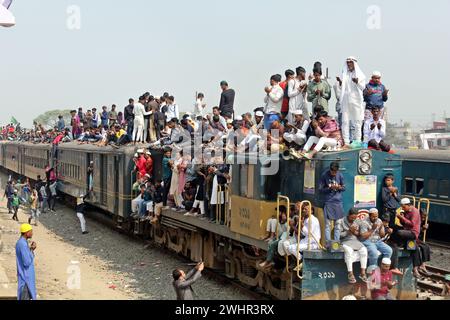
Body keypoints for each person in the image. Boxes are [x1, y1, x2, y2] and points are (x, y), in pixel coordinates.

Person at [339, 56, 366, 146]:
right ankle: (346, 141)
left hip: (356, 99)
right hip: (346, 99)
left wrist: (357, 82)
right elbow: (341, 88)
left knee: (358, 121)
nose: (349, 64)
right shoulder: (344, 74)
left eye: (350, 62)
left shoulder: (360, 75)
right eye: (348, 63)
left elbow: (363, 87)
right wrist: (340, 83)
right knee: (345, 121)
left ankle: (357, 140)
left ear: (354, 63)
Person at [391, 198, 421, 277]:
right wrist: (401, 217)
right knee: (415, 247)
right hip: (406, 232)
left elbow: (412, 224)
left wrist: (402, 218)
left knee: (399, 233)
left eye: (404, 207)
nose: (403, 208)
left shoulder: (415, 211)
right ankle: (415, 268)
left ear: (408, 205)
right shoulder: (406, 211)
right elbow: (403, 224)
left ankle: (397, 243)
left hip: (412, 232)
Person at [338, 208, 368, 283]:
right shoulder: (340, 221)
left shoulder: (357, 221)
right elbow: (338, 235)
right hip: (344, 241)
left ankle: (363, 273)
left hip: (354, 240)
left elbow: (360, 234)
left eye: (355, 218)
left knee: (364, 250)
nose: (353, 219)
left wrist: (356, 232)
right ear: (348, 215)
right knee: (349, 251)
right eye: (352, 218)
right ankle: (350, 273)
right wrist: (348, 231)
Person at [319, 162, 345, 244]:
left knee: (338, 225)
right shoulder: (324, 175)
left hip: (338, 202)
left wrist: (339, 187)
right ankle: (328, 243)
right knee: (328, 225)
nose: (334, 173)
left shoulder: (340, 175)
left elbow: (344, 187)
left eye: (335, 172)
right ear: (330, 169)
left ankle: (337, 242)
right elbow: (320, 189)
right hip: (328, 202)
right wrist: (330, 188)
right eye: (332, 171)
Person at [16, 224, 37, 300]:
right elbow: (27, 262)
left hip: (26, 277)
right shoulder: (22, 244)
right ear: (26, 232)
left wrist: (30, 249)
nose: (32, 233)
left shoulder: (22, 243)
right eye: (31, 231)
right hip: (26, 278)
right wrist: (31, 250)